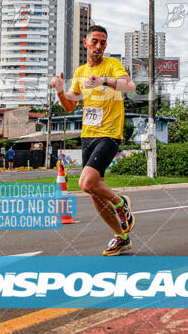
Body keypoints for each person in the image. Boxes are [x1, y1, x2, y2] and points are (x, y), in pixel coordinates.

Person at [51, 25, 136, 256]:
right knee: (95, 192)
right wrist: (60, 91)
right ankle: (121, 238)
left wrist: (103, 81)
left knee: (86, 183)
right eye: (95, 41)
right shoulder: (79, 72)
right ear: (86, 43)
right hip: (88, 135)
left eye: (103, 42)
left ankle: (121, 204)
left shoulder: (112, 66)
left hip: (109, 134)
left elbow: (130, 86)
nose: (99, 46)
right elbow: (70, 105)